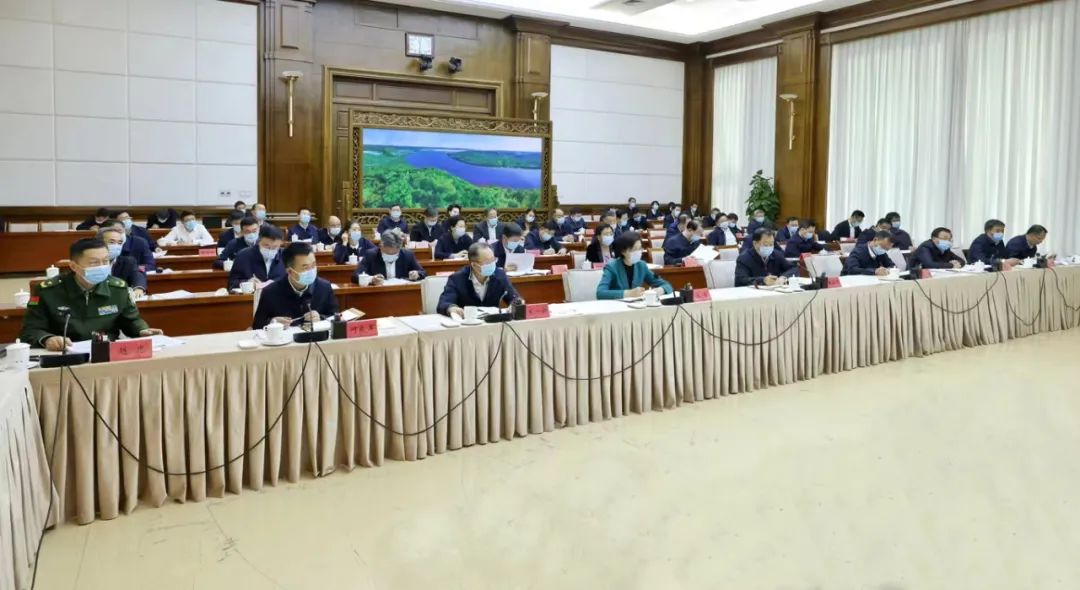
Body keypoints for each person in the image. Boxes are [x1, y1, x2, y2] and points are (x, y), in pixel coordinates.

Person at [20, 238, 162, 350]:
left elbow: (131, 320)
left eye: (105, 261)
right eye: (94, 263)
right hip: (65, 353)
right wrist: (47, 339)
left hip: (106, 351)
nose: (102, 267)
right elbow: (30, 330)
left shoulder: (118, 288)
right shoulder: (47, 291)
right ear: (73, 266)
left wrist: (142, 330)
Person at [252, 242, 339, 330]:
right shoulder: (270, 292)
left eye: (313, 265)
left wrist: (321, 318)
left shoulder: (324, 287)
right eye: (305, 268)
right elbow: (257, 325)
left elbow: (335, 317)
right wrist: (273, 322)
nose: (311, 271)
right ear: (290, 271)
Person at [437, 243, 520, 318]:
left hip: (492, 323)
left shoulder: (500, 275)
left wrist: (517, 304)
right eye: (487, 262)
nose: (492, 264)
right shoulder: (457, 278)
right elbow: (444, 303)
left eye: (493, 260)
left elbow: (514, 298)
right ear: (473, 265)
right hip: (467, 324)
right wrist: (451, 308)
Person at [596, 231, 673, 300]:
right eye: (634, 249)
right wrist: (628, 293)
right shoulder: (612, 267)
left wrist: (660, 290)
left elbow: (667, 285)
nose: (638, 252)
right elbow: (600, 293)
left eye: (640, 248)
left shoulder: (641, 266)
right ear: (623, 251)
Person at [355, 230, 426, 285]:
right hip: (379, 294)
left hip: (401, 292)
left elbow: (423, 273)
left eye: (395, 254)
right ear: (380, 247)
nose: (391, 256)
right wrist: (371, 279)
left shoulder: (407, 255)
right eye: (388, 253)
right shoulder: (371, 255)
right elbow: (355, 276)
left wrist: (417, 274)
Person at [228, 225, 286, 289]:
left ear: (281, 243)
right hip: (251, 294)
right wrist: (248, 283)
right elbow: (232, 284)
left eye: (275, 247)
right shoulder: (243, 255)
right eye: (266, 245)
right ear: (259, 241)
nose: (270, 249)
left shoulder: (285, 255)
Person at [99, 226, 147, 295]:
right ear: (99, 243)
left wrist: (139, 288)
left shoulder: (128, 261)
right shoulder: (88, 262)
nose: (116, 246)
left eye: (119, 243)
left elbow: (137, 275)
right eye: (111, 242)